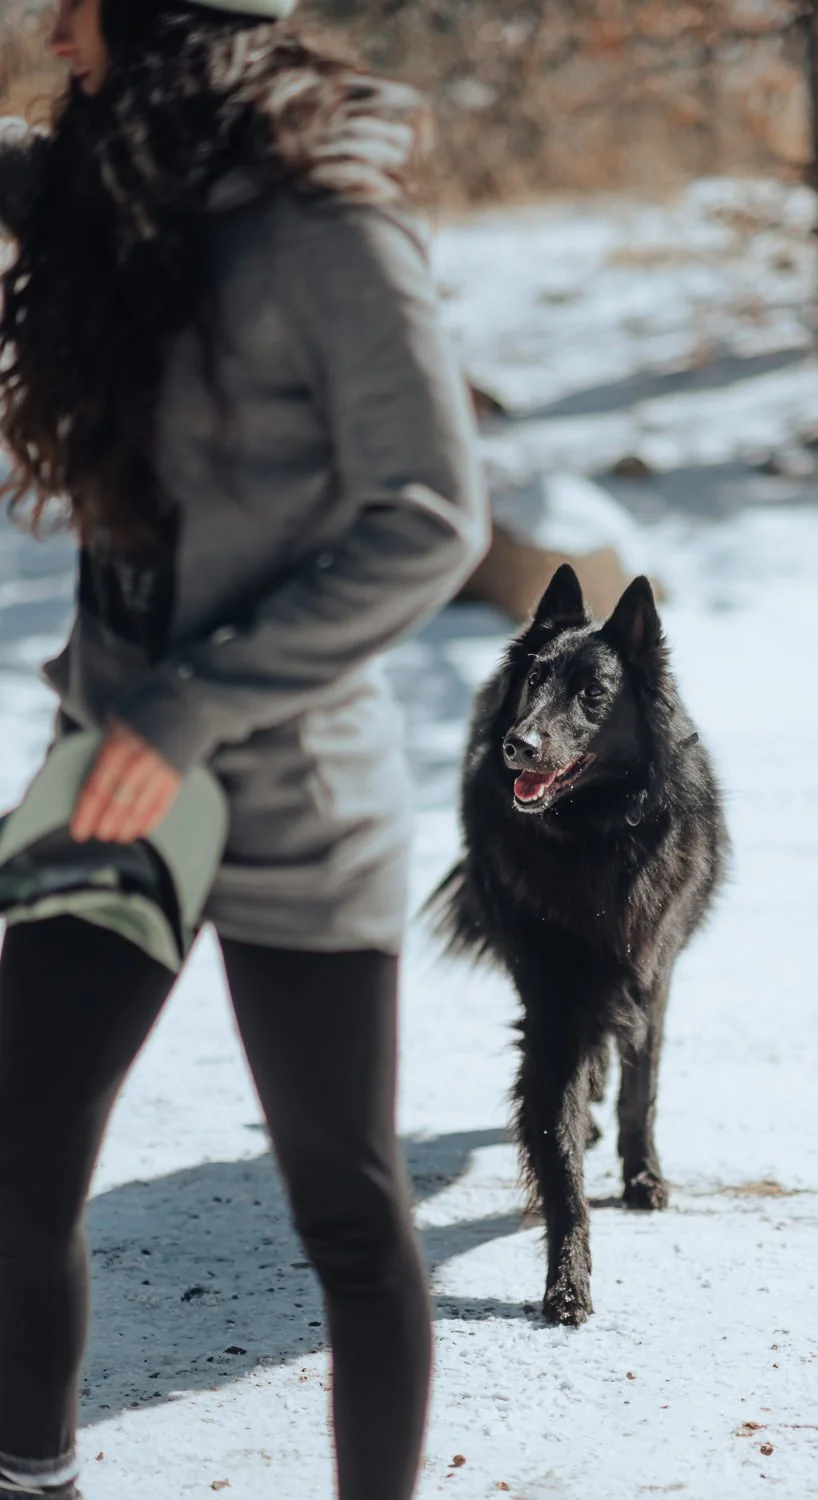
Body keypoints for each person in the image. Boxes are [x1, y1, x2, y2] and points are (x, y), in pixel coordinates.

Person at [0, 1, 488, 1496]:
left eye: (78, 3)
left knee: (345, 1210)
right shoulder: (111, 199)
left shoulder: (329, 232)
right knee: (17, 1170)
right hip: (114, 785)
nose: (50, 29)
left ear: (163, 27)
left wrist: (188, 705)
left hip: (288, 790)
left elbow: (430, 518)